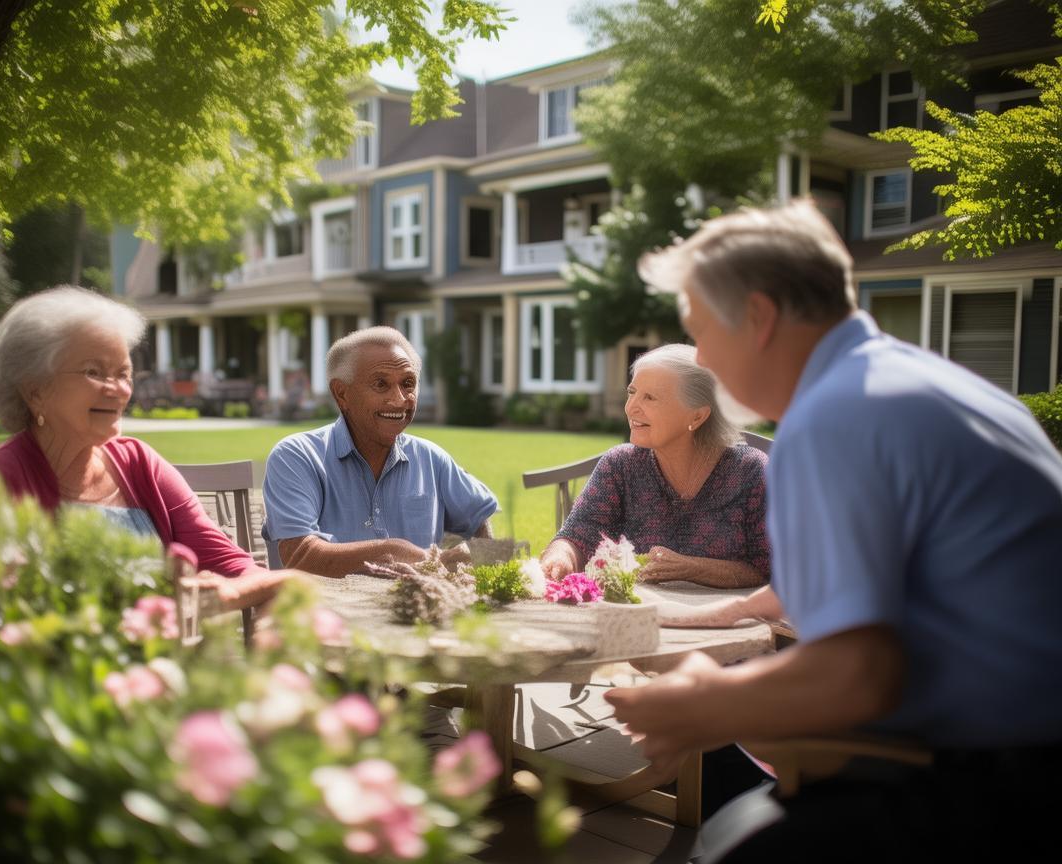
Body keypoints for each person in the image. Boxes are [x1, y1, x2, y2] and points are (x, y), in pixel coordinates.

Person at [607, 200, 1062, 861]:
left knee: (732, 841)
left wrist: (708, 704)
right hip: (1011, 752)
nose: (701, 355)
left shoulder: (833, 417)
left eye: (701, 332)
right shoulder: (910, 382)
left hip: (1008, 777)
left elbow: (859, 675)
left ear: (758, 317)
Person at [0, 286, 301, 612]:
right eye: (95, 372)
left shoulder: (139, 464)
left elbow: (238, 566)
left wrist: (228, 593)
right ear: (35, 391)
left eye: (124, 373)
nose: (118, 389)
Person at [263, 326, 497, 578]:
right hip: (327, 613)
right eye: (380, 384)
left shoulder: (432, 458)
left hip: (416, 613)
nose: (399, 400)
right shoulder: (297, 456)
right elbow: (301, 556)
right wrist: (395, 551)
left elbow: (481, 525)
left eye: (408, 384)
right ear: (341, 394)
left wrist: (475, 555)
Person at [539, 343, 770, 595]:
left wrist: (692, 568)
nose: (631, 408)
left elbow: (772, 569)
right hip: (641, 617)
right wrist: (561, 556)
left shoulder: (750, 472)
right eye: (632, 392)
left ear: (697, 417)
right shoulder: (621, 466)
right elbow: (577, 537)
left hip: (736, 619)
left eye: (649, 397)